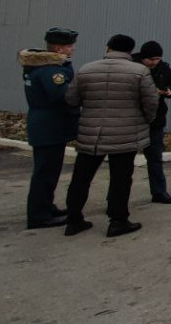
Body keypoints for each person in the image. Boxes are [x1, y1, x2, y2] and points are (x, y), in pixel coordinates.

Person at [63, 34, 158, 238]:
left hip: (91, 134)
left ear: (108, 48)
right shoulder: (139, 72)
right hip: (125, 134)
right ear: (130, 52)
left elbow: (71, 99)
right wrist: (144, 120)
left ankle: (73, 220)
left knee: (81, 177)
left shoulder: (86, 69)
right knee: (121, 178)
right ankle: (118, 221)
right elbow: (151, 103)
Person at [20, 27, 80, 230]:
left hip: (44, 124)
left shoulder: (36, 67)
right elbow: (64, 97)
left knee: (48, 171)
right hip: (51, 126)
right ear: (58, 48)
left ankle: (46, 206)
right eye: (69, 46)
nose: (72, 50)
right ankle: (39, 215)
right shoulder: (52, 70)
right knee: (45, 172)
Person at [134, 41, 171, 204]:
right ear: (143, 58)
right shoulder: (133, 68)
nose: (154, 62)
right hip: (135, 120)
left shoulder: (163, 68)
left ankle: (159, 192)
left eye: (157, 59)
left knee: (155, 158)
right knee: (124, 163)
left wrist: (169, 91)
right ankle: (117, 197)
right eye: (151, 59)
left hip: (156, 120)